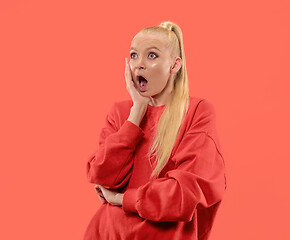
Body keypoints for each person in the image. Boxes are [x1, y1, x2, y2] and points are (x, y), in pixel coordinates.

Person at [83, 21, 227, 240]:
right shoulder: (121, 112)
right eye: (133, 55)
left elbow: (183, 194)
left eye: (152, 56)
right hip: (108, 233)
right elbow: (102, 175)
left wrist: (122, 200)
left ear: (175, 65)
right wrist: (137, 111)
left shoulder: (196, 111)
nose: (138, 64)